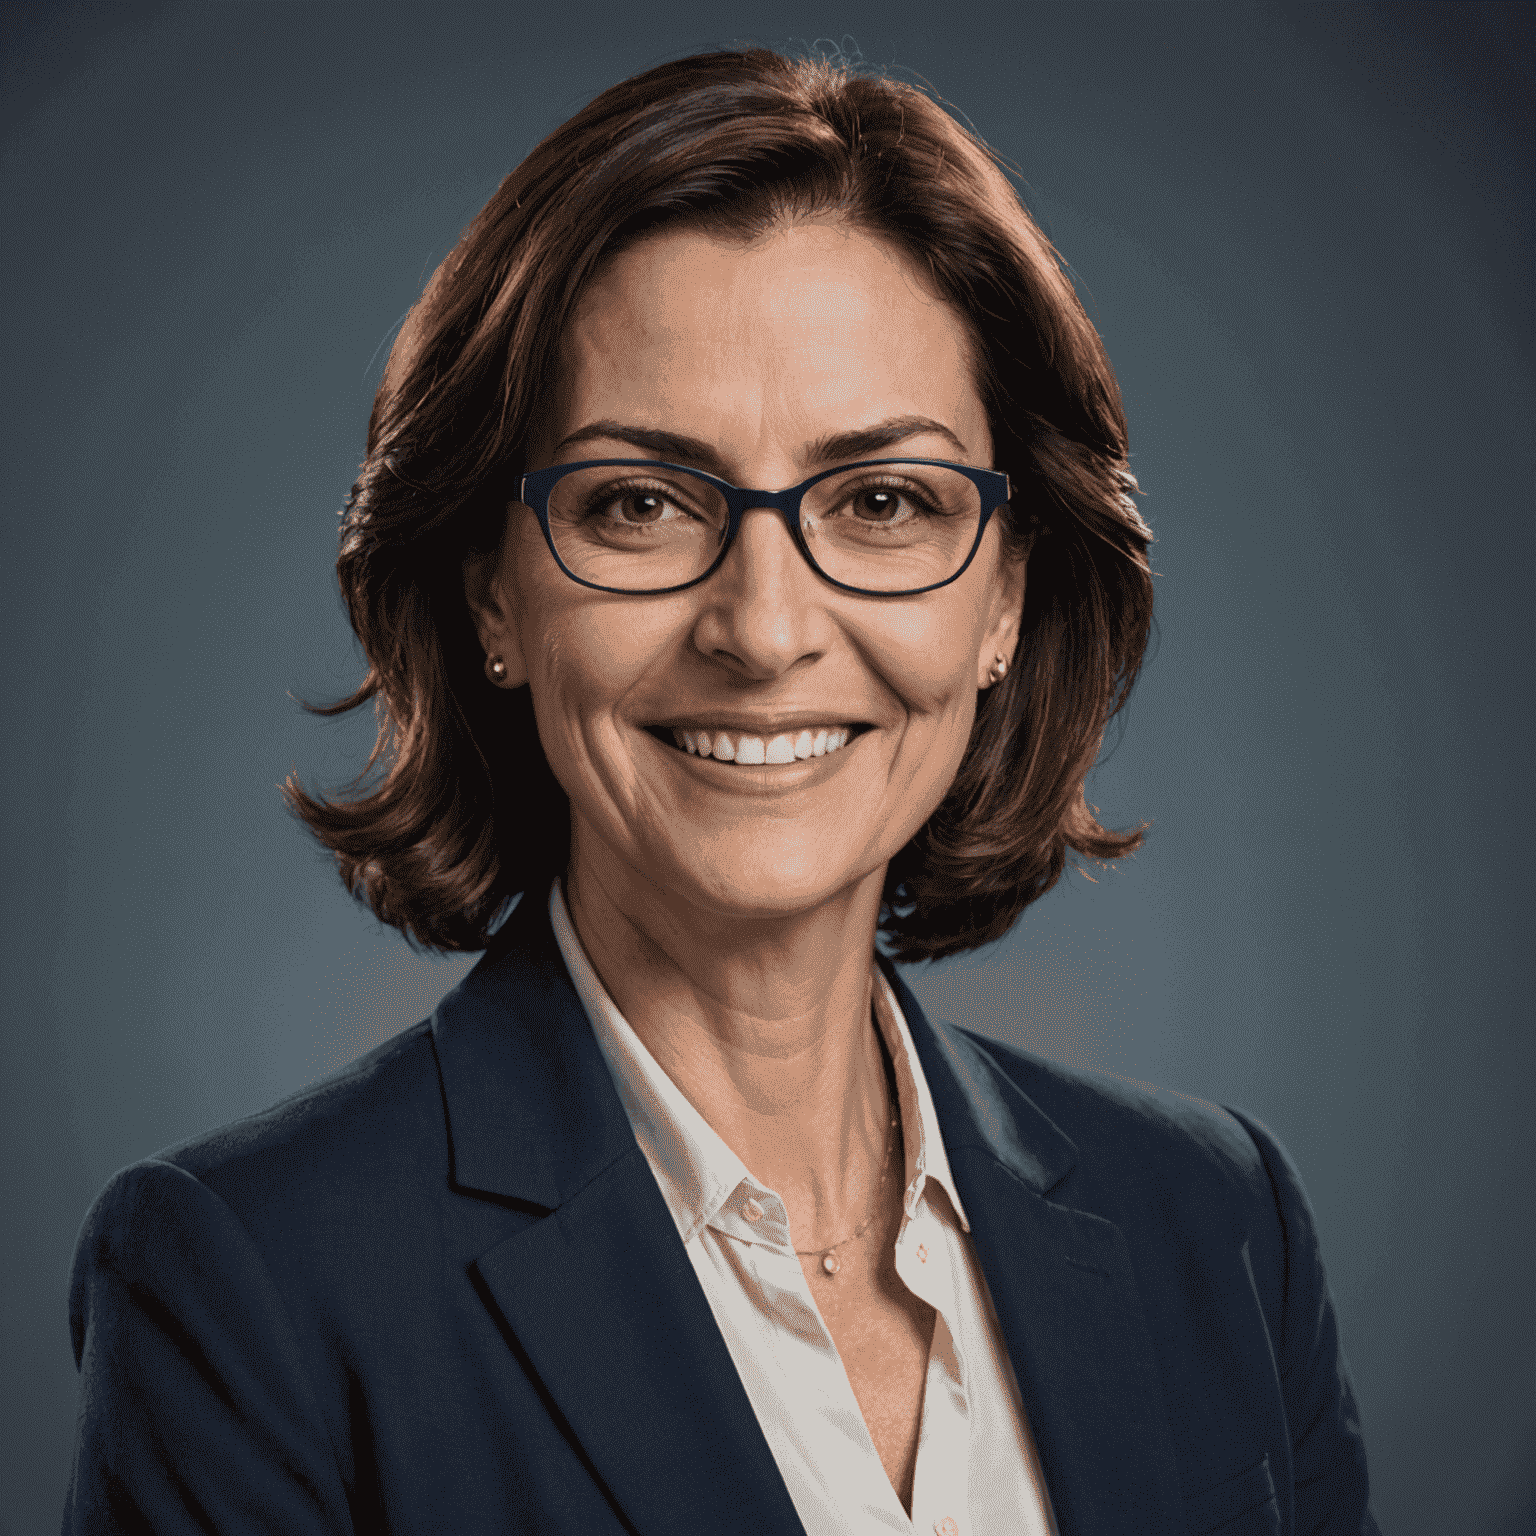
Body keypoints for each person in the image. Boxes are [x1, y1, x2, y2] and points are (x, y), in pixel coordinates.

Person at [62, 47, 1379, 1536]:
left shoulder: (1215, 1221)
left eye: (883, 502)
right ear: (493, 594)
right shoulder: (249, 1284)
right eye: (639, 503)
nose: (762, 628)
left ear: (1005, 597)